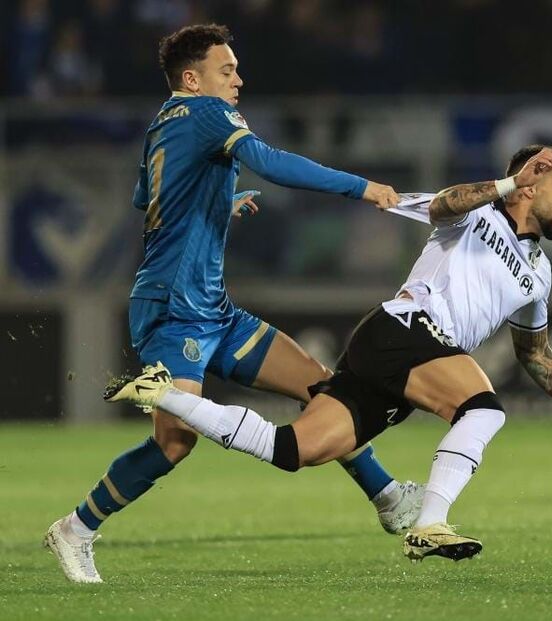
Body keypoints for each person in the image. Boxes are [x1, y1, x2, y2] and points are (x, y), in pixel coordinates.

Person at [105, 145, 552, 563]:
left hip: (394, 352)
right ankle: (430, 525)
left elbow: (537, 354)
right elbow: (438, 205)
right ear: (528, 186)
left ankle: (166, 395)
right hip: (407, 329)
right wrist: (505, 184)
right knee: (482, 409)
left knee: (294, 450)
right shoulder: (474, 215)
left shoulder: (539, 272)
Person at [44, 24, 421, 584]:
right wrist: (360, 187)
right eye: (227, 70)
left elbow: (145, 199)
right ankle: (75, 529)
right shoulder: (207, 114)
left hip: (212, 308)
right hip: (174, 306)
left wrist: (221, 198)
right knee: (175, 443)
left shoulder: (159, 126)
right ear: (192, 79)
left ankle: (389, 497)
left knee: (322, 386)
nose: (238, 80)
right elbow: (270, 160)